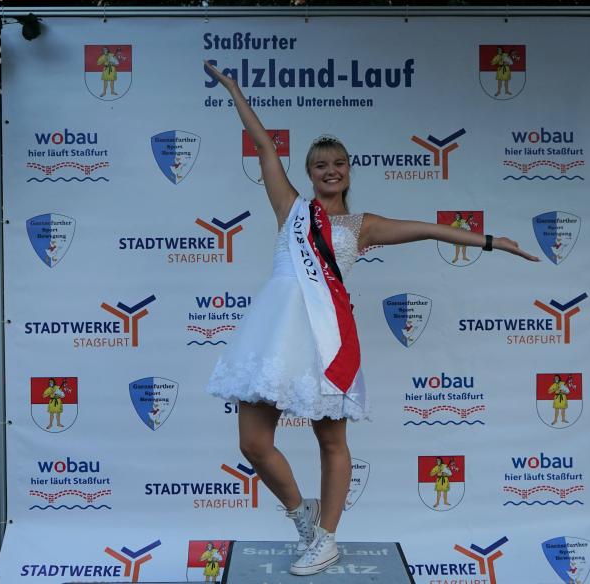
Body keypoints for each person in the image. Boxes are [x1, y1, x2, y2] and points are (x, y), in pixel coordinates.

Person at [203, 60, 539, 576]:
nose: (330, 170)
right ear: (309, 173)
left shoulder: (364, 226)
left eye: (338, 163)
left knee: (331, 440)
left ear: (348, 170)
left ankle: (327, 539)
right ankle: (302, 515)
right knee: (253, 442)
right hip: (274, 333)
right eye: (320, 164)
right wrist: (233, 90)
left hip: (325, 338)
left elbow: (429, 229)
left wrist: (492, 241)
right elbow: (265, 146)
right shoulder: (290, 208)